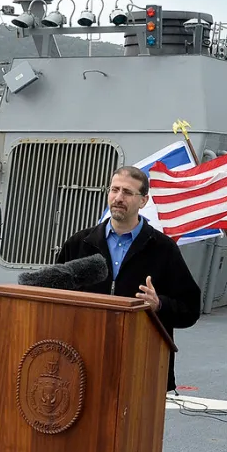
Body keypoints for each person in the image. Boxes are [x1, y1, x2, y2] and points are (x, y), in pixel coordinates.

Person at [57, 165, 201, 391]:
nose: (118, 198)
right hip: (82, 362)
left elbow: (191, 309)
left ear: (143, 201)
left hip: (141, 366)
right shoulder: (79, 244)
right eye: (114, 190)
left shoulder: (164, 249)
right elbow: (52, 296)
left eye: (127, 192)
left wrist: (159, 305)